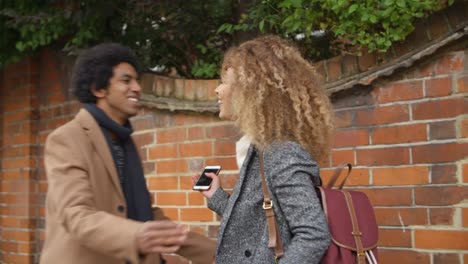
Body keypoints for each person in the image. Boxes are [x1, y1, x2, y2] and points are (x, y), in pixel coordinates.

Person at [40, 43, 216, 264]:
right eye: (126, 80)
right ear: (98, 88)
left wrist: (218, 253)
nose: (137, 88)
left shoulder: (124, 142)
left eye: (137, 80)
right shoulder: (67, 139)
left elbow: (147, 217)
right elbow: (76, 214)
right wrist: (136, 235)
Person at [194, 35, 333, 263]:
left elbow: (313, 234)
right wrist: (217, 197)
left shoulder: (282, 153)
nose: (218, 90)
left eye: (225, 82)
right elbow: (258, 225)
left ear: (251, 91)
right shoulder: (262, 148)